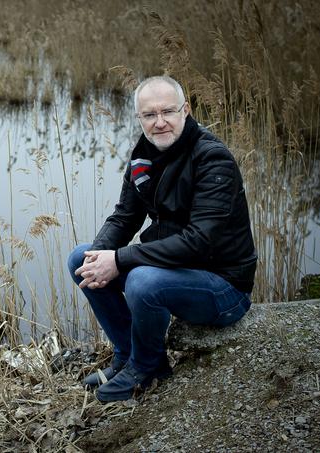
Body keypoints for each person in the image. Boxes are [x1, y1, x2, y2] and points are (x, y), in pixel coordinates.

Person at [68, 75, 257, 402]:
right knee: (81, 258)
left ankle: (146, 367)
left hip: (222, 285)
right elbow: (125, 217)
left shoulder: (212, 159)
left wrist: (120, 260)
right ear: (139, 118)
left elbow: (198, 240)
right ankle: (128, 355)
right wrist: (100, 257)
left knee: (142, 280)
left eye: (167, 112)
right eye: (149, 115)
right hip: (174, 269)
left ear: (185, 109)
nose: (159, 123)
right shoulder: (144, 155)